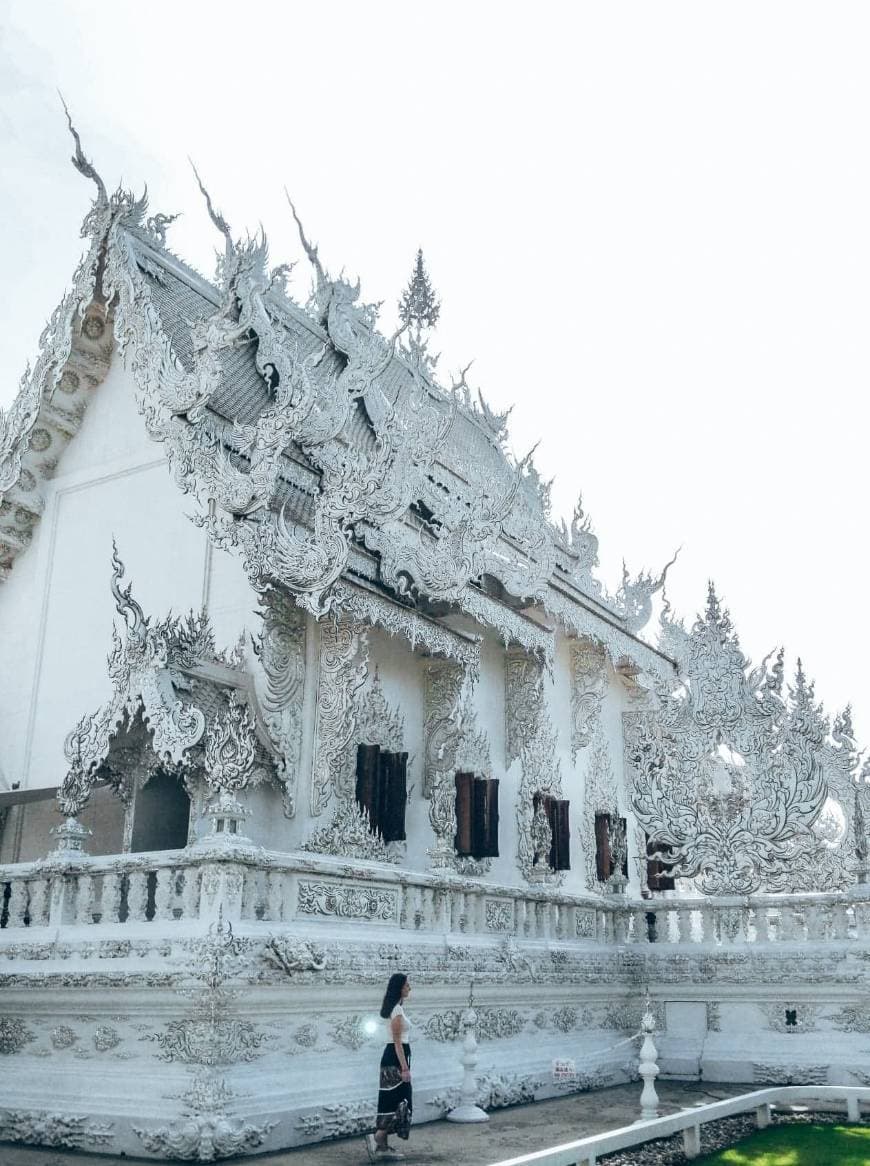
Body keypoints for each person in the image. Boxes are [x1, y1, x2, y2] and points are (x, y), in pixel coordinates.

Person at [365, 972, 412, 1160]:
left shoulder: (395, 1008)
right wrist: (405, 1068)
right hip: (396, 1057)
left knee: (392, 1099)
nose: (409, 988)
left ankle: (382, 1147)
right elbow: (397, 1041)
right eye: (407, 985)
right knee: (399, 1100)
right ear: (400, 988)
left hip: (394, 1056)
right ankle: (378, 1137)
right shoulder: (397, 1011)